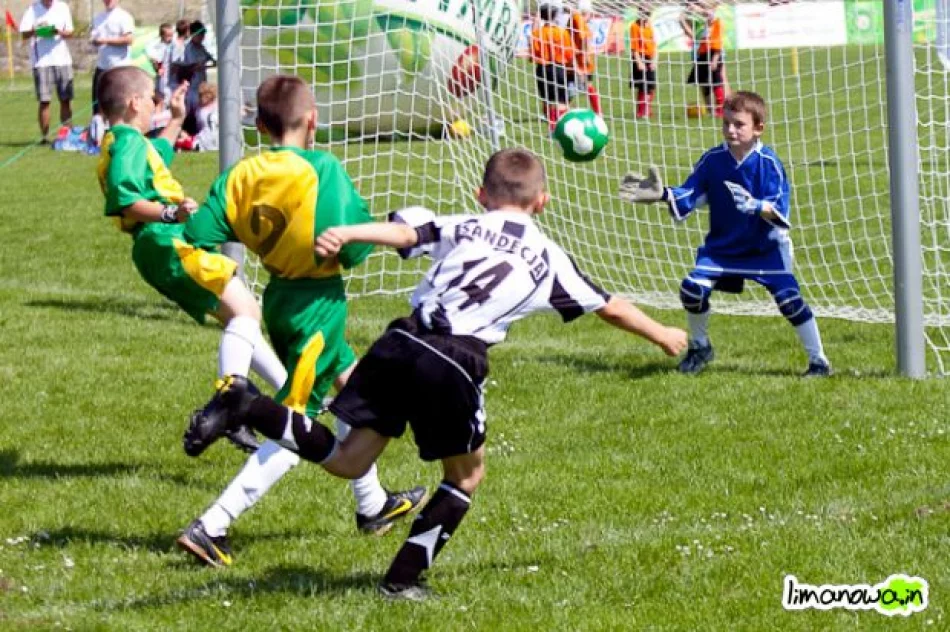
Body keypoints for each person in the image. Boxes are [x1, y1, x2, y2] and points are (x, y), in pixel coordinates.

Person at [184, 147, 688, 599]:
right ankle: (401, 581)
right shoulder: (550, 257)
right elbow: (610, 307)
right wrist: (663, 333)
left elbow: (407, 233)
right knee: (466, 476)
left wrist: (352, 231)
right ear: (543, 201)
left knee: (347, 461)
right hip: (453, 360)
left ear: (481, 194)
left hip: (400, 340)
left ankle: (247, 403)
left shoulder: (465, 224)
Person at [175, 75, 426, 568]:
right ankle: (212, 524)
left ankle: (372, 506)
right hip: (318, 304)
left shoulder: (241, 174)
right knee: (297, 428)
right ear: (312, 120)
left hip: (280, 297)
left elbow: (199, 232)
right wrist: (394, 230)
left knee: (356, 387)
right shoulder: (322, 169)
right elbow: (350, 249)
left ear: (261, 123)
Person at [95, 66, 283, 454]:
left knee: (241, 320)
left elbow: (157, 157)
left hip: (157, 247)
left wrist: (178, 119)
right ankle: (231, 407)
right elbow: (125, 197)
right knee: (247, 314)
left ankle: (294, 398)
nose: (155, 105)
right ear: (133, 104)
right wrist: (170, 214)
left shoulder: (123, 140)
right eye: (152, 99)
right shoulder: (128, 144)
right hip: (166, 241)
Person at [619, 91, 832, 376]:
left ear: (758, 128)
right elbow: (692, 194)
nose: (731, 129)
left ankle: (819, 362)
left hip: (765, 249)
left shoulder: (769, 164)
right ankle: (700, 347)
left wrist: (758, 206)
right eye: (726, 123)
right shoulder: (713, 160)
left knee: (790, 301)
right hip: (723, 248)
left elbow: (780, 211)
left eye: (739, 124)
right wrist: (663, 194)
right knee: (692, 290)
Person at [19, 0, 74, 142]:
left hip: (62, 59)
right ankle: (45, 137)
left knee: (65, 99)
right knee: (44, 101)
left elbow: (70, 32)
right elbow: (24, 34)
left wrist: (58, 31)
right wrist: (36, 30)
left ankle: (67, 135)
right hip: (41, 62)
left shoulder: (62, 7)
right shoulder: (32, 9)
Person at [530, 2, 574, 132]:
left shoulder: (537, 34)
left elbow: (533, 53)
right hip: (558, 68)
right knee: (562, 100)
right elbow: (569, 53)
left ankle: (552, 128)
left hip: (542, 69)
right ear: (555, 15)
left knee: (548, 100)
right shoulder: (562, 33)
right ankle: (563, 128)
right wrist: (571, 68)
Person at [90, 0, 135, 116]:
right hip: (102, 66)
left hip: (120, 67)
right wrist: (95, 41)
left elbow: (129, 39)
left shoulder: (124, 16)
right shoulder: (98, 18)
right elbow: (95, 38)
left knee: (119, 104)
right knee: (98, 106)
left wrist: (105, 41)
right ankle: (100, 131)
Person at [684, 1, 725, 118]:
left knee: (717, 81)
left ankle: (720, 109)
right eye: (706, 12)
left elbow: (718, 44)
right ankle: (710, 110)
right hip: (703, 56)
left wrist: (715, 59)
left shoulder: (717, 23)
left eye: (710, 11)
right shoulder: (707, 25)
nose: (707, 14)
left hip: (713, 56)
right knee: (704, 82)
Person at [174, 20, 215, 134]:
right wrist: (198, 66)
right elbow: (188, 67)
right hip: (191, 87)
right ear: (194, 34)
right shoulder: (188, 48)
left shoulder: (202, 48)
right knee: (190, 115)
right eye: (200, 35)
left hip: (201, 86)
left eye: (204, 35)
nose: (202, 37)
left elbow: (211, 60)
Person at [567, 0, 600, 115]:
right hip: (577, 59)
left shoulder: (577, 20)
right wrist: (585, 55)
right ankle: (598, 112)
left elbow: (585, 38)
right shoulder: (578, 19)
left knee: (576, 85)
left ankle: (597, 112)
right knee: (574, 86)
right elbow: (584, 38)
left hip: (577, 59)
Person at [629, 7, 657, 119]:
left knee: (651, 86)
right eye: (643, 14)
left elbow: (654, 44)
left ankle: (647, 110)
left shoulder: (650, 25)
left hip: (650, 58)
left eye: (647, 15)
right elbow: (634, 48)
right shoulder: (634, 27)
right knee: (643, 86)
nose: (645, 18)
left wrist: (654, 60)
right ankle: (641, 112)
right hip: (640, 57)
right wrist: (639, 62)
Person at [174, 82, 217, 151]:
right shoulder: (199, 108)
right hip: (203, 136)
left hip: (206, 138)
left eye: (202, 95)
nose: (200, 97)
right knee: (180, 137)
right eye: (200, 95)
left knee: (181, 141)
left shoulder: (209, 108)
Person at [147, 23, 174, 105]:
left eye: (171, 35)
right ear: (161, 35)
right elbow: (154, 60)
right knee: (162, 95)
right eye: (168, 36)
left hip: (172, 75)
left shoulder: (173, 45)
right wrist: (157, 68)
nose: (170, 38)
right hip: (163, 76)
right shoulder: (157, 46)